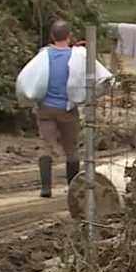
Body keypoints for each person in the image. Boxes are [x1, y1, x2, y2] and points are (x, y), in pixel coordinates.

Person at [36, 20, 81, 197]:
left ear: (52, 37)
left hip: (46, 107)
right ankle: (73, 188)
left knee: (45, 146)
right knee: (71, 149)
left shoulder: (43, 55)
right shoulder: (77, 57)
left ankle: (46, 188)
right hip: (68, 108)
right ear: (69, 36)